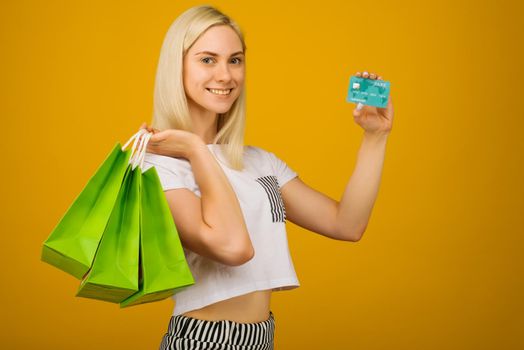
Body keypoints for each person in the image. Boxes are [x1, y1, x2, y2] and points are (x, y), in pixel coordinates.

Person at [138, 4, 394, 350]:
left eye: (235, 60)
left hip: (262, 338)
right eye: (207, 60)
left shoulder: (258, 162)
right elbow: (234, 248)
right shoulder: (157, 165)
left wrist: (375, 137)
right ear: (177, 66)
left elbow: (346, 224)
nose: (225, 76)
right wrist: (197, 150)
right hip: (203, 339)